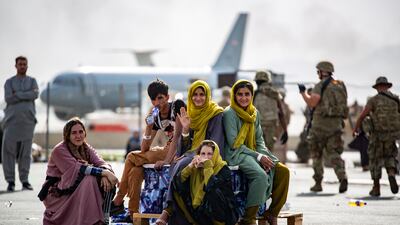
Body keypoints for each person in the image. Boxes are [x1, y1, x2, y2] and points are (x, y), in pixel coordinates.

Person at [111, 79, 185, 222]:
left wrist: (166, 160)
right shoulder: (156, 117)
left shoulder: (177, 106)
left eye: (160, 98)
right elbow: (144, 149)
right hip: (168, 148)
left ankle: (119, 199)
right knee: (135, 171)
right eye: (154, 99)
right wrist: (149, 127)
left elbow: (177, 137)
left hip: (181, 149)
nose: (158, 102)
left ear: (167, 97)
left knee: (132, 157)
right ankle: (133, 214)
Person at [157, 80, 225, 225]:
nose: (198, 98)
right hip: (190, 155)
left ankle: (167, 211)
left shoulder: (215, 114)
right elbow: (183, 147)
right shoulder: (190, 114)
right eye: (195, 94)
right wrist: (186, 130)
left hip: (208, 154)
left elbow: (215, 142)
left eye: (202, 94)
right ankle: (178, 214)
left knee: (181, 164)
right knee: (178, 165)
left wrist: (194, 154)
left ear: (207, 96)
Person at [223, 79, 289, 225]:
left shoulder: (254, 113)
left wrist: (264, 156)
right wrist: (259, 157)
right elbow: (234, 143)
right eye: (239, 94)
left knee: (283, 171)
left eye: (247, 94)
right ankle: (248, 218)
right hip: (236, 154)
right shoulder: (230, 113)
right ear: (234, 95)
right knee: (260, 176)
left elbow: (259, 141)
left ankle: (272, 212)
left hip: (253, 152)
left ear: (252, 95)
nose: (243, 98)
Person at [38, 117, 119, 225]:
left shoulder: (85, 148)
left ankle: (104, 218)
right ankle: (90, 221)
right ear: (68, 135)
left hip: (77, 188)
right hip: (57, 193)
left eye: (81, 132)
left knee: (105, 181)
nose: (78, 136)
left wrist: (105, 174)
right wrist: (104, 173)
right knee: (90, 179)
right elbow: (77, 169)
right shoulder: (60, 150)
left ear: (85, 133)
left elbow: (101, 162)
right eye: (74, 133)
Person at [298, 61, 348, 193]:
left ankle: (318, 183)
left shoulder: (319, 86)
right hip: (336, 126)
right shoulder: (340, 85)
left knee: (316, 155)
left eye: (318, 71)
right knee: (334, 153)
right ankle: (342, 176)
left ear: (322, 72)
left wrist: (303, 93)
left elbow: (312, 102)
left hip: (320, 126)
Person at [170, 140, 237, 225]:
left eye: (209, 154)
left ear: (215, 154)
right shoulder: (196, 168)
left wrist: (208, 165)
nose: (206, 157)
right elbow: (177, 182)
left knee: (212, 192)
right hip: (202, 211)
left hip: (224, 214)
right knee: (176, 188)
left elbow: (211, 186)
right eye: (203, 154)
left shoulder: (223, 169)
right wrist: (190, 166)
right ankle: (192, 222)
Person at [353, 76, 400, 196]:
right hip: (393, 135)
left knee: (375, 159)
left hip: (377, 135)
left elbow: (363, 116)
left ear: (377, 87)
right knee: (390, 156)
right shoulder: (396, 99)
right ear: (387, 86)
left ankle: (376, 187)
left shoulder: (373, 100)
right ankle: (391, 174)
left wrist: (355, 128)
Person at [2, 56, 38, 192]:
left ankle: (25, 181)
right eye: (20, 64)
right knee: (8, 152)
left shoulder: (32, 81)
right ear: (15, 66)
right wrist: (26, 94)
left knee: (25, 153)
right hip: (11, 122)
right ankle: (10, 181)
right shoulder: (9, 82)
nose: (22, 66)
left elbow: (35, 94)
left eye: (24, 64)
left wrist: (18, 94)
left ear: (27, 66)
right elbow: (8, 98)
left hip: (28, 122)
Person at [253, 70, 288, 151]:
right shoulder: (275, 94)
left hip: (257, 127)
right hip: (271, 127)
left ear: (257, 82)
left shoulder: (254, 94)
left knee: (257, 153)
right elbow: (281, 114)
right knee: (268, 153)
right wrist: (285, 131)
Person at [295, 88, 313, 163]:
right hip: (308, 126)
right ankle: (303, 158)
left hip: (313, 127)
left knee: (308, 143)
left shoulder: (314, 104)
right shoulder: (308, 104)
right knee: (303, 141)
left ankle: (305, 157)